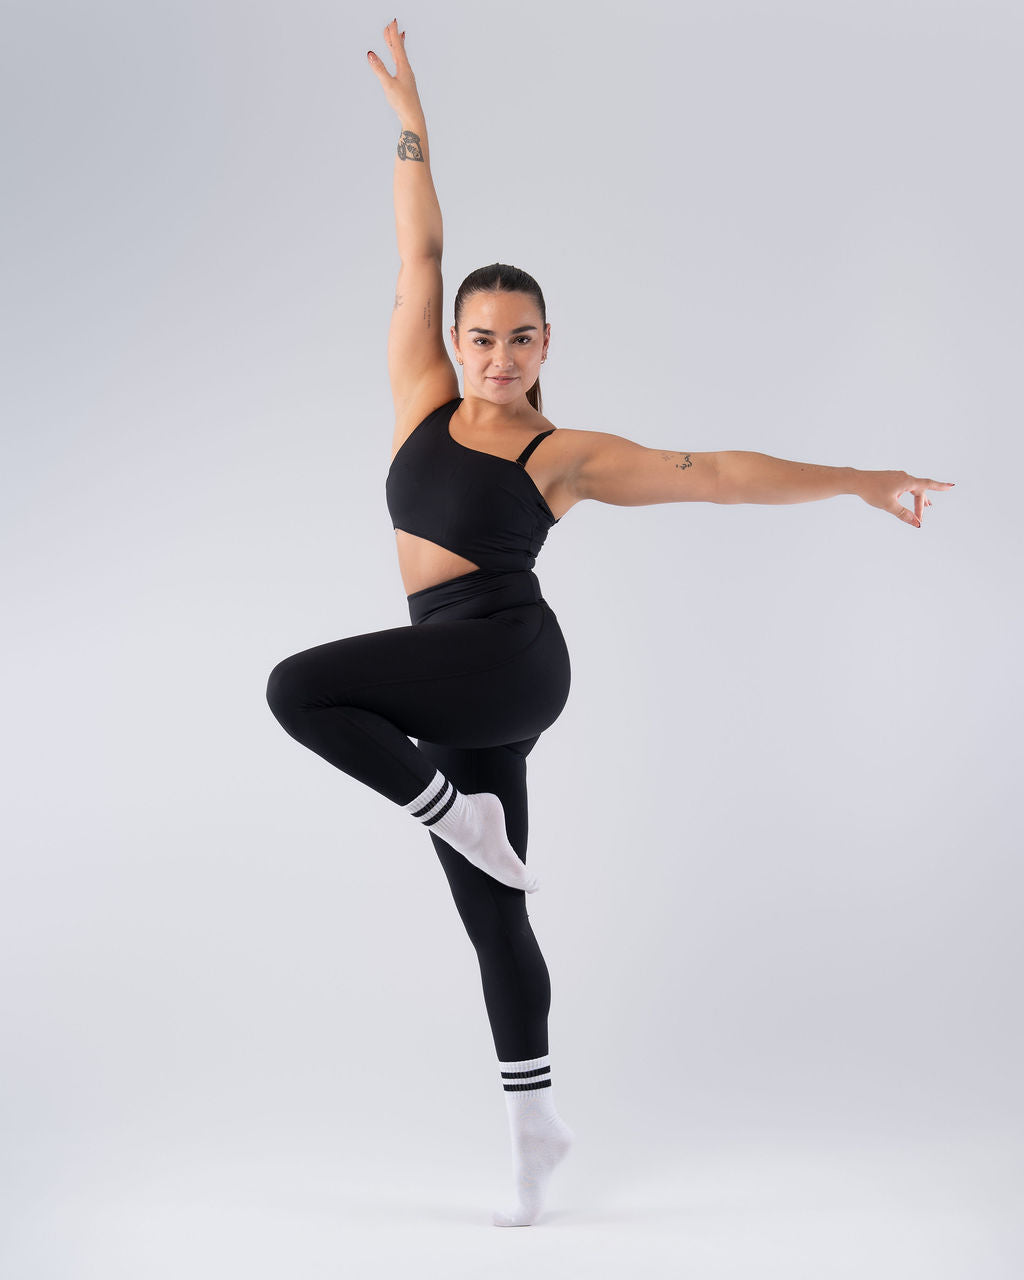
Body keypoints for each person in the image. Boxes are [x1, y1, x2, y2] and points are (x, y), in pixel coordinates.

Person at [265, 20, 955, 1228]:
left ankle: (452, 812)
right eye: (481, 337)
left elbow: (717, 473)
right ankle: (535, 1126)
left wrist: (861, 479)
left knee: (298, 686)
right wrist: (412, 126)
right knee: (494, 912)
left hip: (508, 659)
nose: (497, 356)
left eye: (520, 338)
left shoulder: (563, 452)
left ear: (546, 347)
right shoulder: (419, 392)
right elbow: (420, 249)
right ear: (456, 341)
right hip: (455, 672)